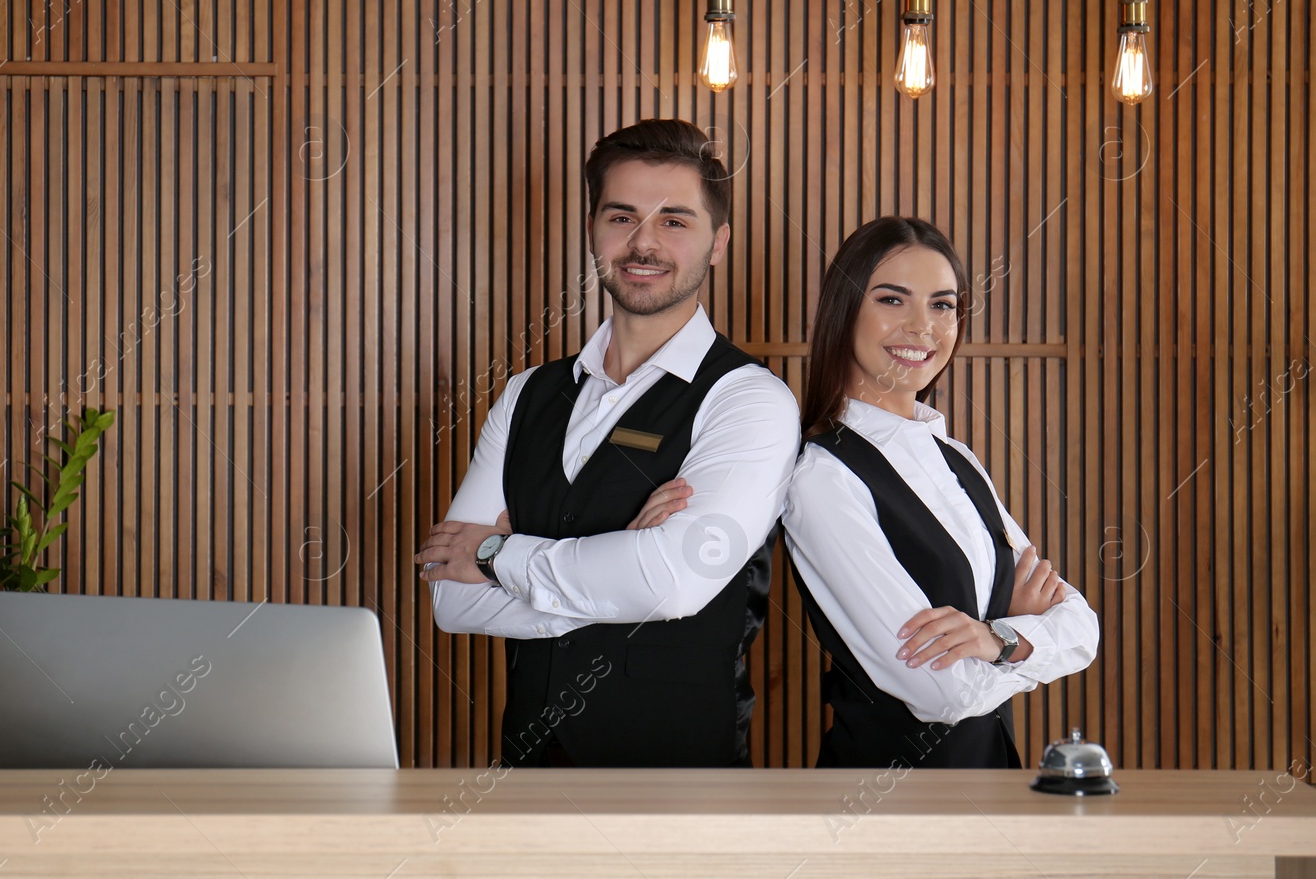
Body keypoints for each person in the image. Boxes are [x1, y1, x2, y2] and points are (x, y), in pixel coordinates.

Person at [414, 119, 800, 767]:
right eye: (621, 216)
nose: (643, 242)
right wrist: (621, 568)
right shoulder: (525, 395)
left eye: (674, 220)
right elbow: (452, 599)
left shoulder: (750, 399)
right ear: (592, 229)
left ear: (719, 242)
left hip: (680, 791)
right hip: (529, 783)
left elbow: (675, 584)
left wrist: (495, 551)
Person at [782, 216, 1098, 768]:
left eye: (942, 305)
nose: (922, 328)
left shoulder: (957, 457)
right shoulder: (822, 476)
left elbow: (1082, 630)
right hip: (890, 802)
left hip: (993, 781)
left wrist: (994, 638)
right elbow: (943, 694)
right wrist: (1022, 634)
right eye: (892, 300)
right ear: (844, 309)